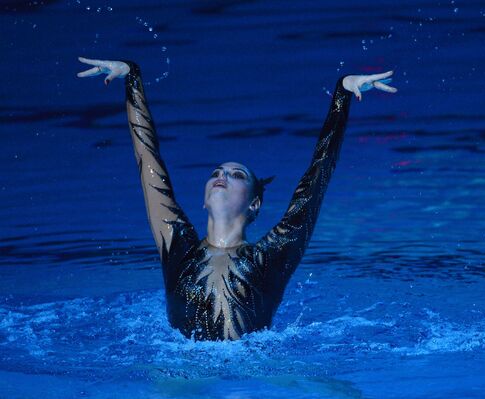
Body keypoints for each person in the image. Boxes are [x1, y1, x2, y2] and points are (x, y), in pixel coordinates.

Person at [77, 57, 397, 340]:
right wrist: (131, 76)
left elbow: (317, 177)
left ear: (254, 204)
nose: (222, 176)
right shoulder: (176, 244)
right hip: (183, 373)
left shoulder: (273, 256)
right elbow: (148, 160)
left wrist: (343, 93)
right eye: (217, 172)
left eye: (236, 174)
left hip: (251, 377)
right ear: (203, 200)